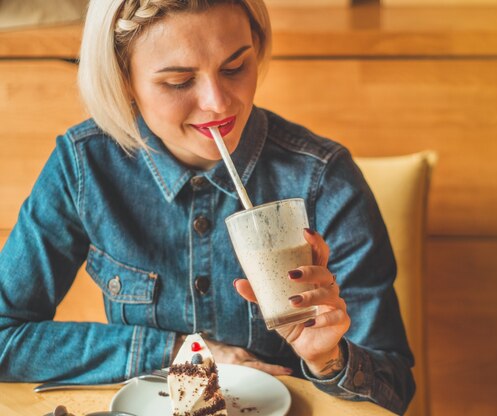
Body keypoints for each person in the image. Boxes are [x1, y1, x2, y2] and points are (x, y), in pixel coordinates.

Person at [0, 0, 415, 413]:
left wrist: (329, 359)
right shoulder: (84, 165)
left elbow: (395, 388)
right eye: (179, 81)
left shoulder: (324, 177)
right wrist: (183, 352)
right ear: (123, 79)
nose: (218, 103)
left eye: (235, 67)